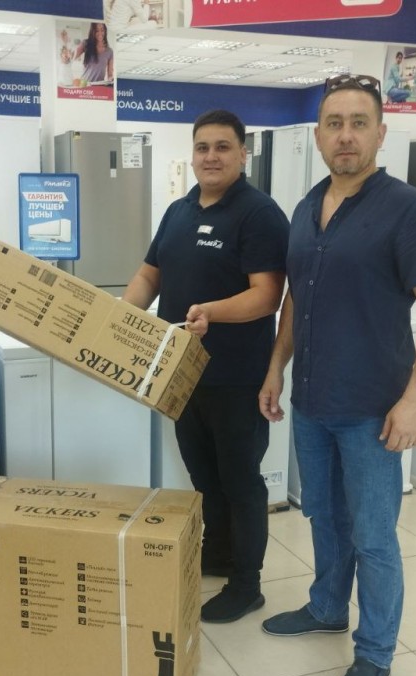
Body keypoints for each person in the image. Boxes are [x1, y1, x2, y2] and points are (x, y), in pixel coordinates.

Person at [258, 74, 416, 676]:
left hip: (373, 408)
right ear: (318, 135)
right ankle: (326, 608)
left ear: (380, 132)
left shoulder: (408, 210)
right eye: (334, 124)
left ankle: (374, 654)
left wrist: (415, 399)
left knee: (373, 537)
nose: (345, 135)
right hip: (313, 402)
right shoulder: (305, 207)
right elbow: (296, 299)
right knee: (324, 515)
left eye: (358, 123)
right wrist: (276, 367)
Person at [123, 109, 289, 624]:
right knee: (203, 476)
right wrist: (117, 316)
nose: (211, 157)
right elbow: (149, 276)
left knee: (241, 481)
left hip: (236, 377)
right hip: (183, 374)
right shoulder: (178, 211)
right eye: (202, 147)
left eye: (222, 147)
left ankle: (247, 584)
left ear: (243, 154)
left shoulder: (259, 214)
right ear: (192, 155)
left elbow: (267, 296)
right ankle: (217, 556)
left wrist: (211, 312)